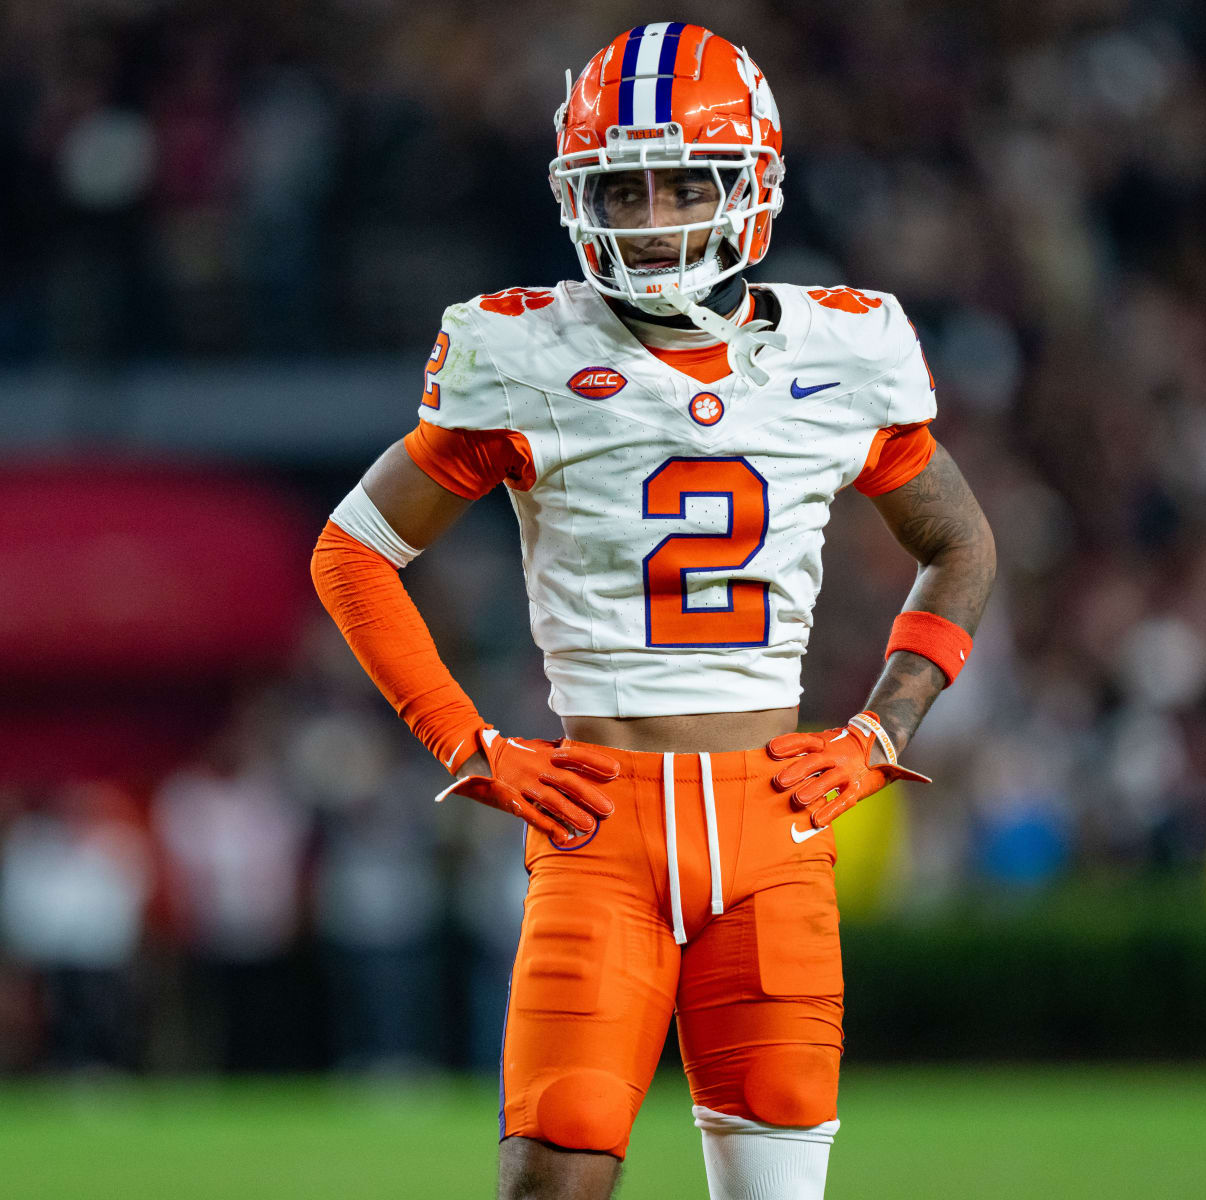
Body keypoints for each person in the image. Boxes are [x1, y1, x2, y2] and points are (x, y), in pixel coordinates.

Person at [312, 23, 996, 1200]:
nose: (654, 214)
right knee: (548, 1179)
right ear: (581, 200)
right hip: (600, 832)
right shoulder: (523, 352)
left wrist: (885, 729)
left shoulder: (843, 348)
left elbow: (960, 542)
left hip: (771, 824)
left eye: (688, 181)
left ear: (754, 186)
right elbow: (352, 552)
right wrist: (462, 739)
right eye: (622, 188)